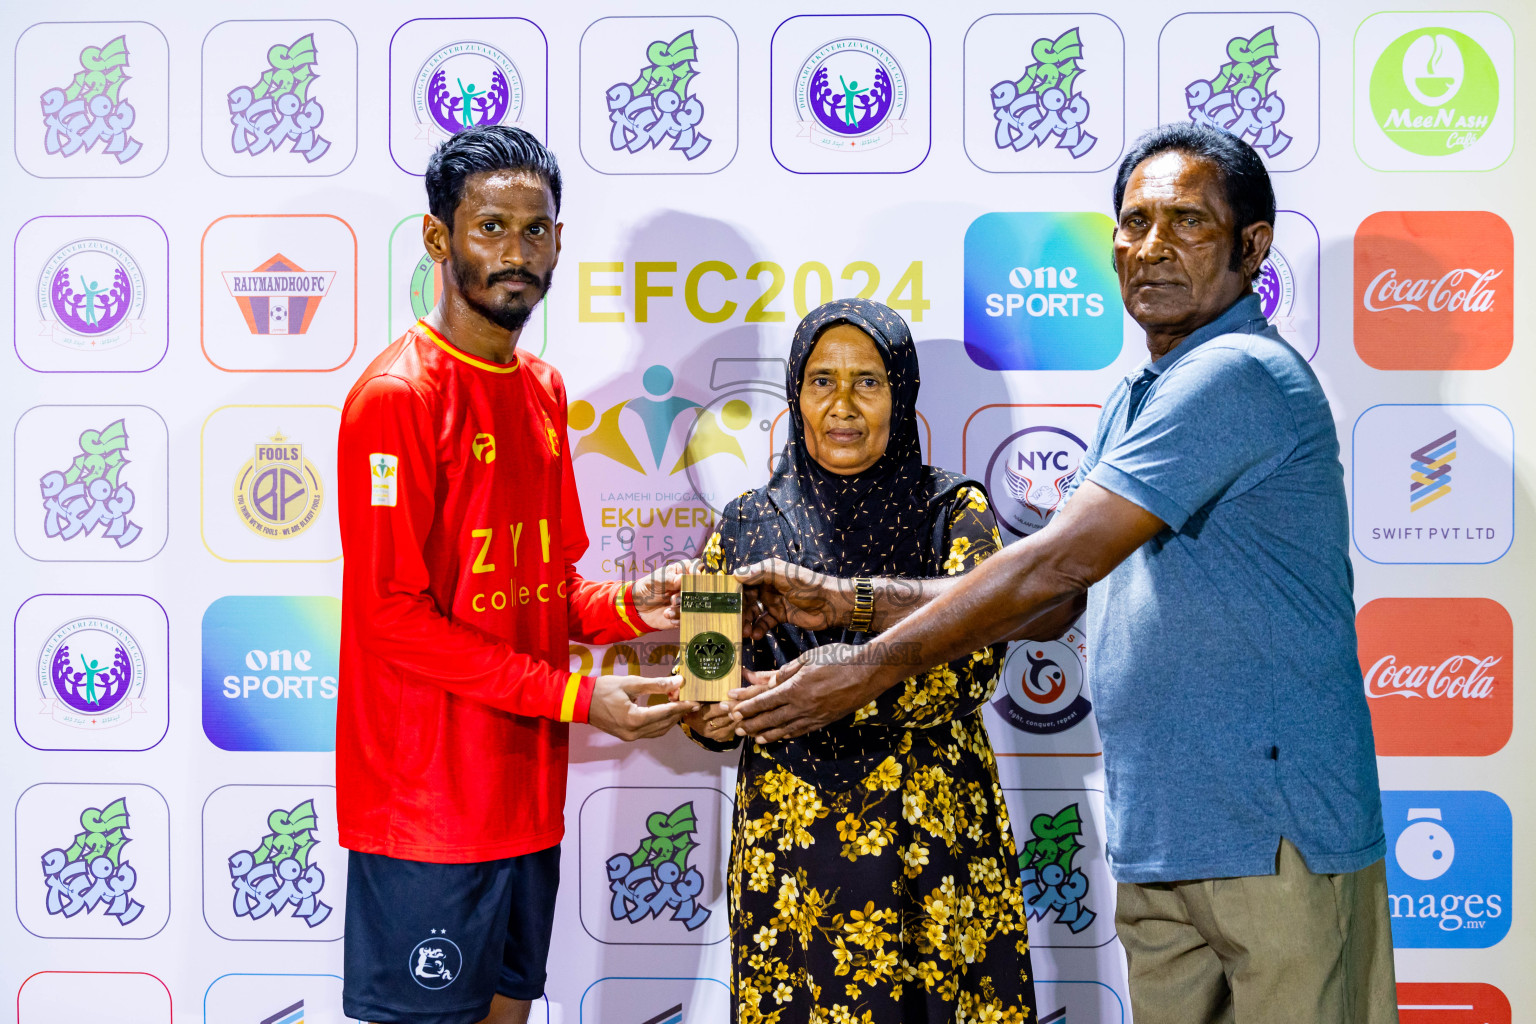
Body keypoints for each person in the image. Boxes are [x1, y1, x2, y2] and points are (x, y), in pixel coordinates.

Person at [729, 123, 1397, 1024]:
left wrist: (860, 663)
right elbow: (1049, 607)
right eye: (1134, 222)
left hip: (1274, 835)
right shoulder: (1138, 392)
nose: (1151, 247)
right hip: (1167, 836)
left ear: (1253, 246)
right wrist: (844, 598)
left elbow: (1055, 567)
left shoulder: (1238, 374)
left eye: (1188, 223)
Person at [335, 125, 697, 1024]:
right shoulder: (398, 398)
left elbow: (545, 590)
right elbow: (393, 618)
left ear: (559, 242)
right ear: (437, 239)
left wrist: (630, 607)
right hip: (427, 815)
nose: (515, 253)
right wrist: (579, 699)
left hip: (525, 803)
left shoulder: (539, 388)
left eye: (534, 231)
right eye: (489, 227)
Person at [682, 298, 1037, 1024]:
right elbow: (703, 687)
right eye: (821, 381)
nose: (842, 405)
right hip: (794, 854)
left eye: (868, 382)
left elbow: (977, 660)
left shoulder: (952, 509)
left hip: (930, 836)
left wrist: (836, 687)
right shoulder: (746, 523)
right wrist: (715, 710)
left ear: (900, 394)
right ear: (795, 395)